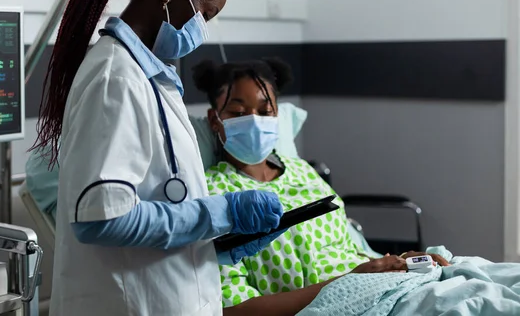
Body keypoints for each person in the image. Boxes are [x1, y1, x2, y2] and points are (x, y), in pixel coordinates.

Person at [31, 0, 285, 316]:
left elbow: (160, 206)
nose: (202, 29)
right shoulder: (115, 78)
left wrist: (217, 241)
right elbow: (100, 219)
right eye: (204, 13)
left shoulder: (150, 77)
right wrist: (221, 212)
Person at [191, 58, 450, 315]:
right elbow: (235, 309)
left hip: (383, 286)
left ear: (277, 115)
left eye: (265, 111)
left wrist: (398, 263)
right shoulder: (213, 197)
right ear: (215, 120)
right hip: (343, 302)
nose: (254, 121)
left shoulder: (302, 171)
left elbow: (349, 250)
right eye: (238, 113)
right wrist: (350, 280)